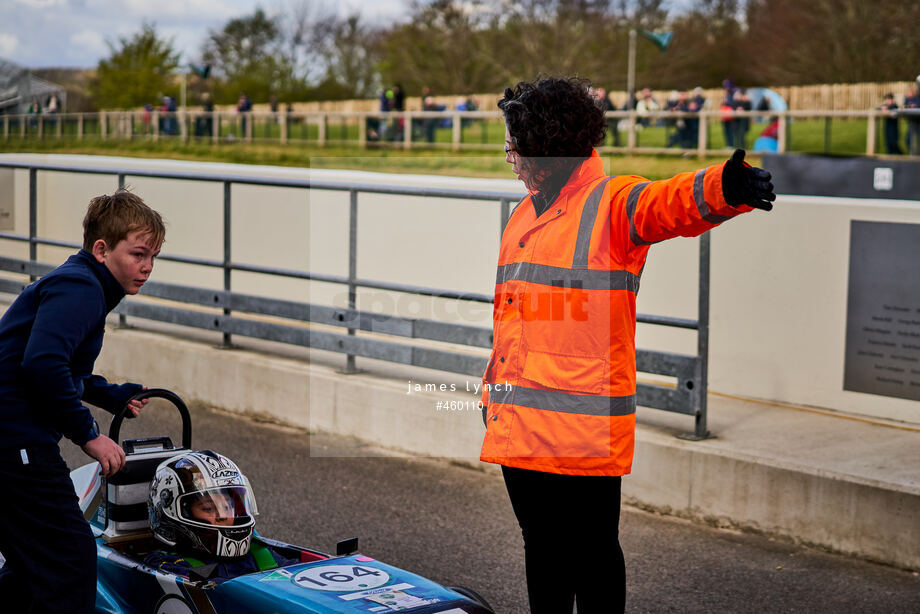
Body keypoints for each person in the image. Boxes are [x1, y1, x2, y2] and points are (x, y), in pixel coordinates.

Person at [481, 76, 774, 614]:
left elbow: (664, 205)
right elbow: (513, 318)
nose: (511, 160)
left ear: (545, 151)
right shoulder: (525, 214)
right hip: (520, 419)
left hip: (582, 426)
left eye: (514, 149)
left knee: (591, 557)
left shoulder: (611, 203)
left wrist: (722, 188)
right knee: (542, 552)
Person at [0, 189, 165, 613]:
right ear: (101, 249)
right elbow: (42, 365)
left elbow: (53, 365)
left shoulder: (80, 282)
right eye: (138, 254)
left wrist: (111, 395)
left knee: (35, 566)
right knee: (70, 561)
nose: (147, 267)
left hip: (10, 438)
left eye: (153, 257)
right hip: (14, 441)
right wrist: (89, 435)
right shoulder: (81, 288)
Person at [145, 450, 297, 582]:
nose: (223, 516)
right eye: (209, 508)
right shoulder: (169, 564)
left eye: (227, 507)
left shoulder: (259, 554)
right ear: (172, 513)